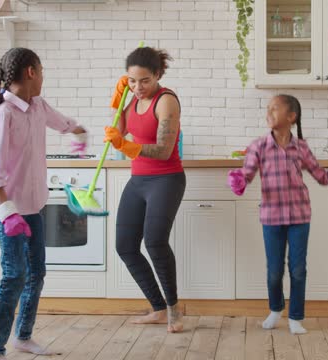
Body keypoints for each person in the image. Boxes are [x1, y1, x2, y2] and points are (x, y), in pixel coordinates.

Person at [0, 47, 87, 359]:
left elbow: (62, 122)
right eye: (42, 71)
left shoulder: (37, 106)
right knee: (14, 276)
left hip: (34, 207)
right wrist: (7, 211)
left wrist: (81, 133)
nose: (43, 79)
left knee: (36, 272)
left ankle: (23, 337)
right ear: (31, 73)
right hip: (9, 210)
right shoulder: (2, 116)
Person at [227, 94, 328, 334]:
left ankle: (295, 317)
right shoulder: (258, 146)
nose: (268, 113)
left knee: (298, 269)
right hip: (271, 218)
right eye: (268, 109)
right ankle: (275, 309)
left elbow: (322, 177)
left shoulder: (301, 148)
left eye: (275, 109)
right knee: (274, 271)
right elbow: (248, 174)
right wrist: (238, 180)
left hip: (299, 217)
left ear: (291, 117)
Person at [104, 46, 185, 333]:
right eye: (132, 81)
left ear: (159, 75)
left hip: (166, 179)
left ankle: (175, 309)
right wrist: (117, 102)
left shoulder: (166, 101)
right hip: (138, 181)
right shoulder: (132, 98)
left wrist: (126, 146)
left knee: (155, 243)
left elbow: (163, 150)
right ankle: (158, 308)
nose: (138, 87)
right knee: (125, 246)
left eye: (144, 81)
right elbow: (120, 128)